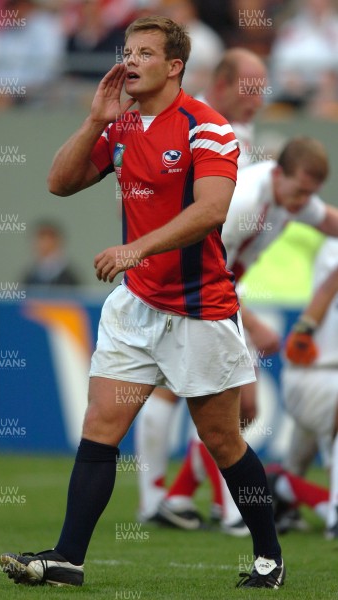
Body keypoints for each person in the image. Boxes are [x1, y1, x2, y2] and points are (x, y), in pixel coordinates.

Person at [0, 15, 285, 589]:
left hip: (197, 309)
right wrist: (93, 120)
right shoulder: (122, 123)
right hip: (134, 307)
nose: (129, 60)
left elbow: (211, 211)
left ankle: (269, 557)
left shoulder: (209, 129)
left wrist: (136, 250)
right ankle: (67, 559)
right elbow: (58, 182)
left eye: (145, 53)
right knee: (101, 424)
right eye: (127, 50)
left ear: (174, 65)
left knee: (223, 439)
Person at [158, 136, 338, 530]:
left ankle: (179, 495)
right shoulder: (243, 202)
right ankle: (235, 513)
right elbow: (204, 263)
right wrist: (253, 324)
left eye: (310, 193)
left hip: (219, 296)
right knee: (233, 404)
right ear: (278, 173)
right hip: (194, 293)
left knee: (243, 408)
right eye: (299, 190)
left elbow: (328, 220)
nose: (303, 200)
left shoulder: (289, 197)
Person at [135, 46, 279, 527]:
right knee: (199, 395)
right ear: (221, 83)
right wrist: (247, 315)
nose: (258, 98)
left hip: (208, 280)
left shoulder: (236, 130)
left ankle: (174, 499)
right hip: (183, 281)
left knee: (199, 395)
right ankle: (190, 505)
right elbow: (207, 227)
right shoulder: (201, 127)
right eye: (250, 87)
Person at [281, 237, 338, 538]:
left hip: (315, 374)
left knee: (301, 454)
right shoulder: (332, 245)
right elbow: (331, 282)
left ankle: (282, 491)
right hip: (319, 371)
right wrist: (304, 330)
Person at [22, 220, 81, 287]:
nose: (44, 245)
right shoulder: (30, 277)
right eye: (41, 239)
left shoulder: (70, 277)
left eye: (49, 239)